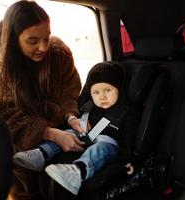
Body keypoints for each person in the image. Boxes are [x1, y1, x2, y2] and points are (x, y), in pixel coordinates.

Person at [0, 1, 83, 199]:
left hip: (61, 136)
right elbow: (5, 115)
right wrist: (48, 133)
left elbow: (70, 91)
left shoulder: (59, 52)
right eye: (33, 41)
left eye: (47, 37)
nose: (43, 47)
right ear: (13, 40)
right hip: (18, 148)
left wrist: (71, 117)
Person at [13, 62, 135, 195]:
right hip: (87, 137)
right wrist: (77, 122)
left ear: (119, 89)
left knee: (99, 149)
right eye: (96, 92)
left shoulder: (125, 113)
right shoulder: (89, 107)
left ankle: (78, 172)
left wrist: (126, 163)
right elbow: (76, 120)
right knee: (68, 133)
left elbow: (129, 143)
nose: (102, 96)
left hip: (109, 146)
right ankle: (42, 153)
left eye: (108, 90)